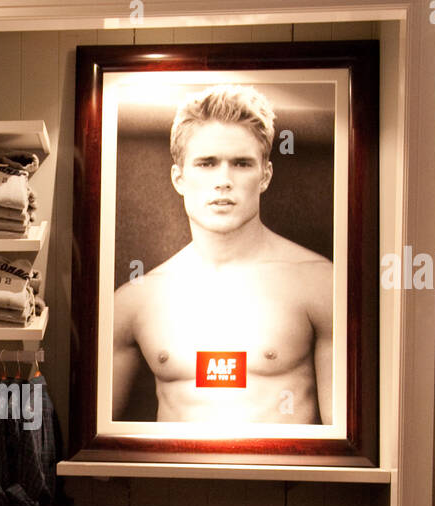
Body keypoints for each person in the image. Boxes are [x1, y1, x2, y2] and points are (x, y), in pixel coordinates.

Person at [111, 84, 333, 425]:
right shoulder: (134, 301)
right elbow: (97, 445)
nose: (223, 181)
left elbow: (347, 449)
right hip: (170, 479)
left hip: (283, 478)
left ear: (265, 176)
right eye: (207, 163)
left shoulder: (319, 283)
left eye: (241, 163)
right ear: (179, 178)